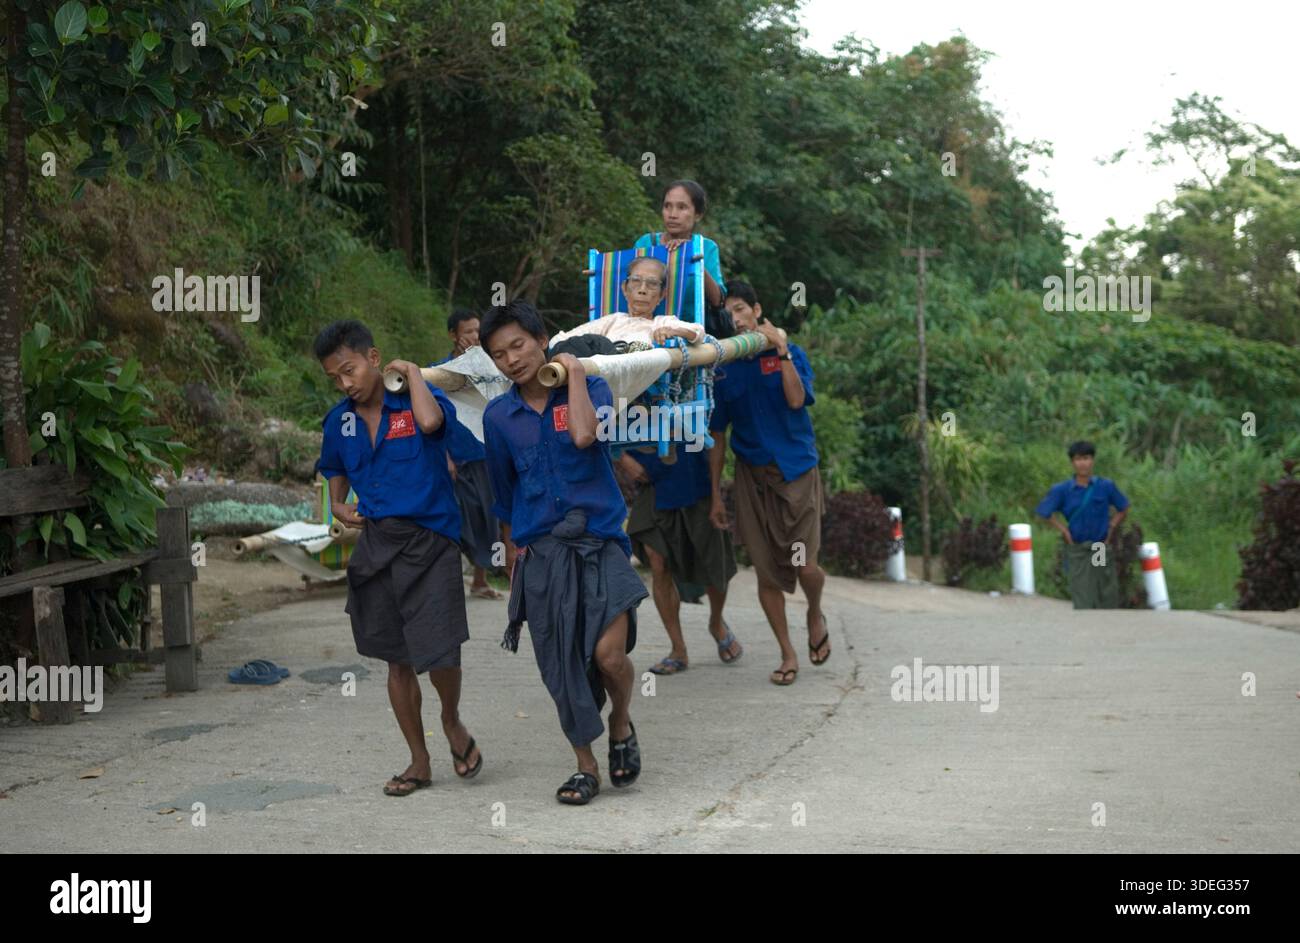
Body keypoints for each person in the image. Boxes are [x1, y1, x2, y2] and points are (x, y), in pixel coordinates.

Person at [480, 299, 648, 806]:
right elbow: (503, 492)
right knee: (562, 666)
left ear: (542, 339)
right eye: (499, 353)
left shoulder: (593, 387)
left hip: (600, 543)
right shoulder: (498, 417)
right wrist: (512, 552)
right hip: (544, 555)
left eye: (519, 345)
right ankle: (586, 766)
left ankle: (620, 722)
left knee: (609, 657)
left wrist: (572, 373)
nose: (512, 359)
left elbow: (582, 435)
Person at [313, 319, 482, 796]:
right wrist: (339, 503)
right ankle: (419, 759)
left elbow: (433, 426)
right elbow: (334, 467)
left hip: (430, 540)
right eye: (334, 378)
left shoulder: (414, 400)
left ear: (373, 357)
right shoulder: (339, 421)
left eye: (349, 370)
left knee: (440, 650)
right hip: (377, 545)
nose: (345, 384)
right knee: (396, 660)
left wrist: (415, 375)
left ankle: (450, 719)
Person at [708, 281, 829, 686]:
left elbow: (797, 401)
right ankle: (787, 652)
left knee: (805, 564)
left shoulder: (790, 353)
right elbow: (718, 434)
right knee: (764, 572)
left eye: (742, 309)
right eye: (730, 313)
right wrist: (715, 494)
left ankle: (814, 610)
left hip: (796, 471)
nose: (737, 318)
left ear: (757, 311)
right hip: (751, 478)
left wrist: (780, 351)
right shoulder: (723, 368)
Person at [620, 446, 742, 674]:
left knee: (713, 559)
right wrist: (622, 457)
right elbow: (601, 418)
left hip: (695, 474)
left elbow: (717, 428)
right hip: (652, 477)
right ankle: (678, 649)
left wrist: (717, 495)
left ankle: (716, 622)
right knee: (658, 561)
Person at [435, 308, 501, 600]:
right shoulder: (439, 371)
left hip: (485, 454)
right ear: (453, 335)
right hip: (455, 456)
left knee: (488, 518)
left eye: (478, 331)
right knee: (460, 520)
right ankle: (450, 581)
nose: (475, 337)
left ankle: (479, 580)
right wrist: (444, 456)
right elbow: (434, 419)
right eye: (469, 331)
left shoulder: (490, 367)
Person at [1035, 441, 1131, 609]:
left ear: (1092, 460)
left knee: (1103, 589)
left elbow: (1123, 507)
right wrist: (1064, 530)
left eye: (1086, 458)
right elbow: (1044, 512)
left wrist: (1111, 527)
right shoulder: (1062, 490)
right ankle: (1085, 626)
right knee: (1082, 593)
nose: (1083, 463)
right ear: (1072, 462)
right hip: (1077, 548)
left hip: (1099, 547)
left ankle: (1103, 625)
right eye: (1078, 459)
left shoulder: (1105, 486)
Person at [548, 257, 703, 351]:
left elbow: (698, 332)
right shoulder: (613, 320)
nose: (642, 290)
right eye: (636, 281)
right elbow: (560, 340)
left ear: (662, 295)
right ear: (624, 288)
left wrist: (673, 331)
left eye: (652, 284)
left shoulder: (662, 322)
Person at [634, 179, 725, 324]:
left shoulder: (706, 247)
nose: (672, 214)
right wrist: (601, 274)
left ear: (698, 214)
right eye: (667, 206)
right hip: (646, 330)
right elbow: (626, 286)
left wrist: (693, 259)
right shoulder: (646, 243)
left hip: (691, 335)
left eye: (682, 207)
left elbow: (718, 300)